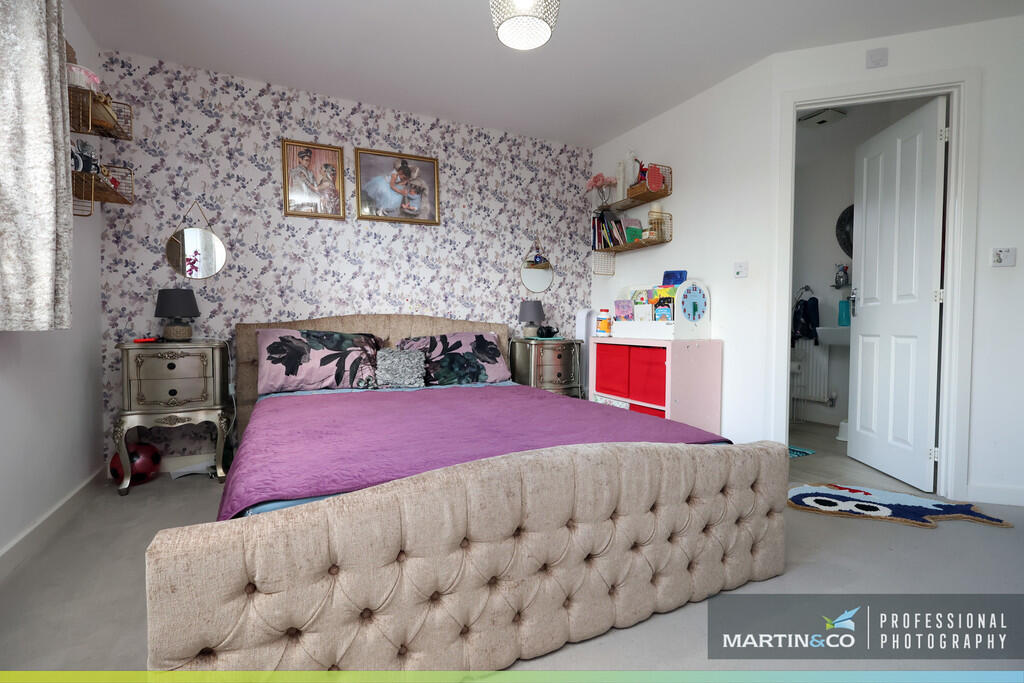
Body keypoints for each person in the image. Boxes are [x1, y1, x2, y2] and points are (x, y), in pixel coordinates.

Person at [288, 147, 319, 212]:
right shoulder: (296, 171)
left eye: (309, 160)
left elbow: (315, 186)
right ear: (300, 160)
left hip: (310, 199)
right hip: (300, 200)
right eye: (306, 160)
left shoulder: (310, 172)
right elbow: (304, 187)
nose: (308, 162)